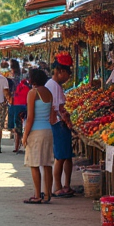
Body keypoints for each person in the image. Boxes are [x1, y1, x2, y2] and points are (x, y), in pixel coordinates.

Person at [22, 68, 55, 204]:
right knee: (47, 164)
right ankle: (47, 194)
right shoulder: (49, 93)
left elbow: (30, 118)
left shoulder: (33, 93)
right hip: (48, 130)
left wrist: (24, 136)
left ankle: (37, 195)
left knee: (34, 164)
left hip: (36, 132)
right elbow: (52, 116)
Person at [48, 53, 75, 197]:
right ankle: (57, 187)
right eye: (68, 74)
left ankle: (66, 185)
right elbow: (59, 110)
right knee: (60, 157)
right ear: (61, 71)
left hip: (57, 124)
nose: (68, 78)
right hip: (59, 125)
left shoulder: (53, 85)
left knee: (66, 156)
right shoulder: (55, 86)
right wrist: (69, 122)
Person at [6, 59, 27, 153]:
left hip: (15, 102)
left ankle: (16, 146)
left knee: (17, 125)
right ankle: (20, 144)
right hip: (24, 102)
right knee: (21, 124)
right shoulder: (22, 76)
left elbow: (10, 90)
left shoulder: (12, 78)